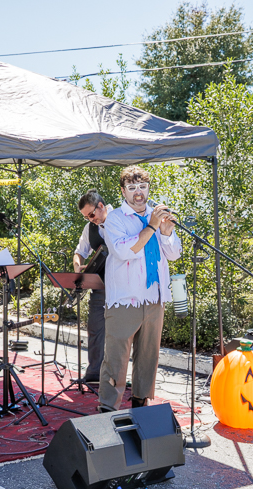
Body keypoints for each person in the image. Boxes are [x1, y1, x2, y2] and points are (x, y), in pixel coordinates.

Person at [98, 165, 182, 412]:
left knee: (148, 357)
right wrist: (153, 227)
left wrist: (166, 234)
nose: (138, 193)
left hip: (154, 299)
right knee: (116, 358)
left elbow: (174, 254)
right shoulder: (115, 219)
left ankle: (141, 406)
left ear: (148, 189)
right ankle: (107, 410)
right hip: (125, 300)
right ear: (123, 191)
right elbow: (124, 250)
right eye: (132, 188)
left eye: (142, 187)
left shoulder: (156, 217)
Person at [72, 191, 113, 384]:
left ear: (101, 206)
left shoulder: (121, 219)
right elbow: (80, 252)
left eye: (91, 215)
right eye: (86, 217)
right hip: (100, 285)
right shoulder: (90, 227)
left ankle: (115, 377)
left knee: (120, 334)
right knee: (95, 329)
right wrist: (77, 266)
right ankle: (94, 375)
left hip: (125, 287)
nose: (90, 220)